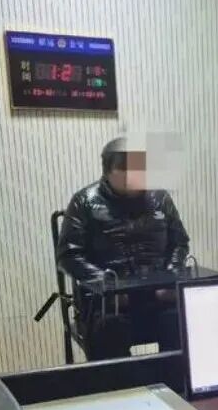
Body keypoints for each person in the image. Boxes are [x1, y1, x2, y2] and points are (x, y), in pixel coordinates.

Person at [56, 136, 190, 356]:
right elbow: (68, 255)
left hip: (158, 294)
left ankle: (174, 378)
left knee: (181, 321)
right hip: (109, 302)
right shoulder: (84, 201)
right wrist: (108, 285)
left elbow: (179, 242)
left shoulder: (160, 197)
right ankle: (121, 380)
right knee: (110, 329)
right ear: (108, 171)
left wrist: (170, 276)